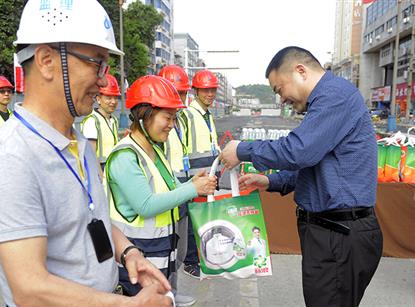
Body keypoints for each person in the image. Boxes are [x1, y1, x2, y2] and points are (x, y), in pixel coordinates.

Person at [0, 1, 173, 306]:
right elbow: (29, 288)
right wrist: (129, 305)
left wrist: (129, 253)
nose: (105, 80)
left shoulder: (78, 141)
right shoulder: (12, 156)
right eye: (96, 63)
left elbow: (93, 220)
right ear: (46, 61)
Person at [220, 46, 383, 307]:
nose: (281, 99)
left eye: (278, 89)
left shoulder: (335, 96)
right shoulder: (327, 100)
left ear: (300, 71)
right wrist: (271, 180)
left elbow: (299, 151)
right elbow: (315, 164)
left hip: (339, 233)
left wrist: (242, 150)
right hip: (332, 233)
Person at [106, 75, 216, 305]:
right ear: (144, 115)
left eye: (174, 118)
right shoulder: (126, 156)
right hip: (139, 258)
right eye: (167, 117)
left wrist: (190, 184)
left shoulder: (155, 151)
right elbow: (145, 205)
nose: (172, 125)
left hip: (159, 252)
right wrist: (193, 189)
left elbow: (170, 188)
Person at [158, 65, 196, 305]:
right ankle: (165, 295)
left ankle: (172, 292)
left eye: (181, 93)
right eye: (173, 91)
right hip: (166, 191)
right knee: (166, 250)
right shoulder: (156, 124)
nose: (178, 98)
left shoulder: (179, 120)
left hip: (182, 184)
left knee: (179, 250)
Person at [182, 69, 221, 278]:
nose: (210, 94)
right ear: (195, 91)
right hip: (195, 177)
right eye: (205, 90)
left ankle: (204, 257)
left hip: (210, 175)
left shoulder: (207, 116)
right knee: (192, 222)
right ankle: (190, 261)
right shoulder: (187, 114)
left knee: (204, 219)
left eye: (212, 89)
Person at [81, 73, 120, 170]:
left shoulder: (113, 120)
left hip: (113, 167)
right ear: (98, 99)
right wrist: (100, 177)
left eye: (115, 98)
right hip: (100, 168)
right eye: (109, 98)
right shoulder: (92, 121)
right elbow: (91, 155)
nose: (113, 102)